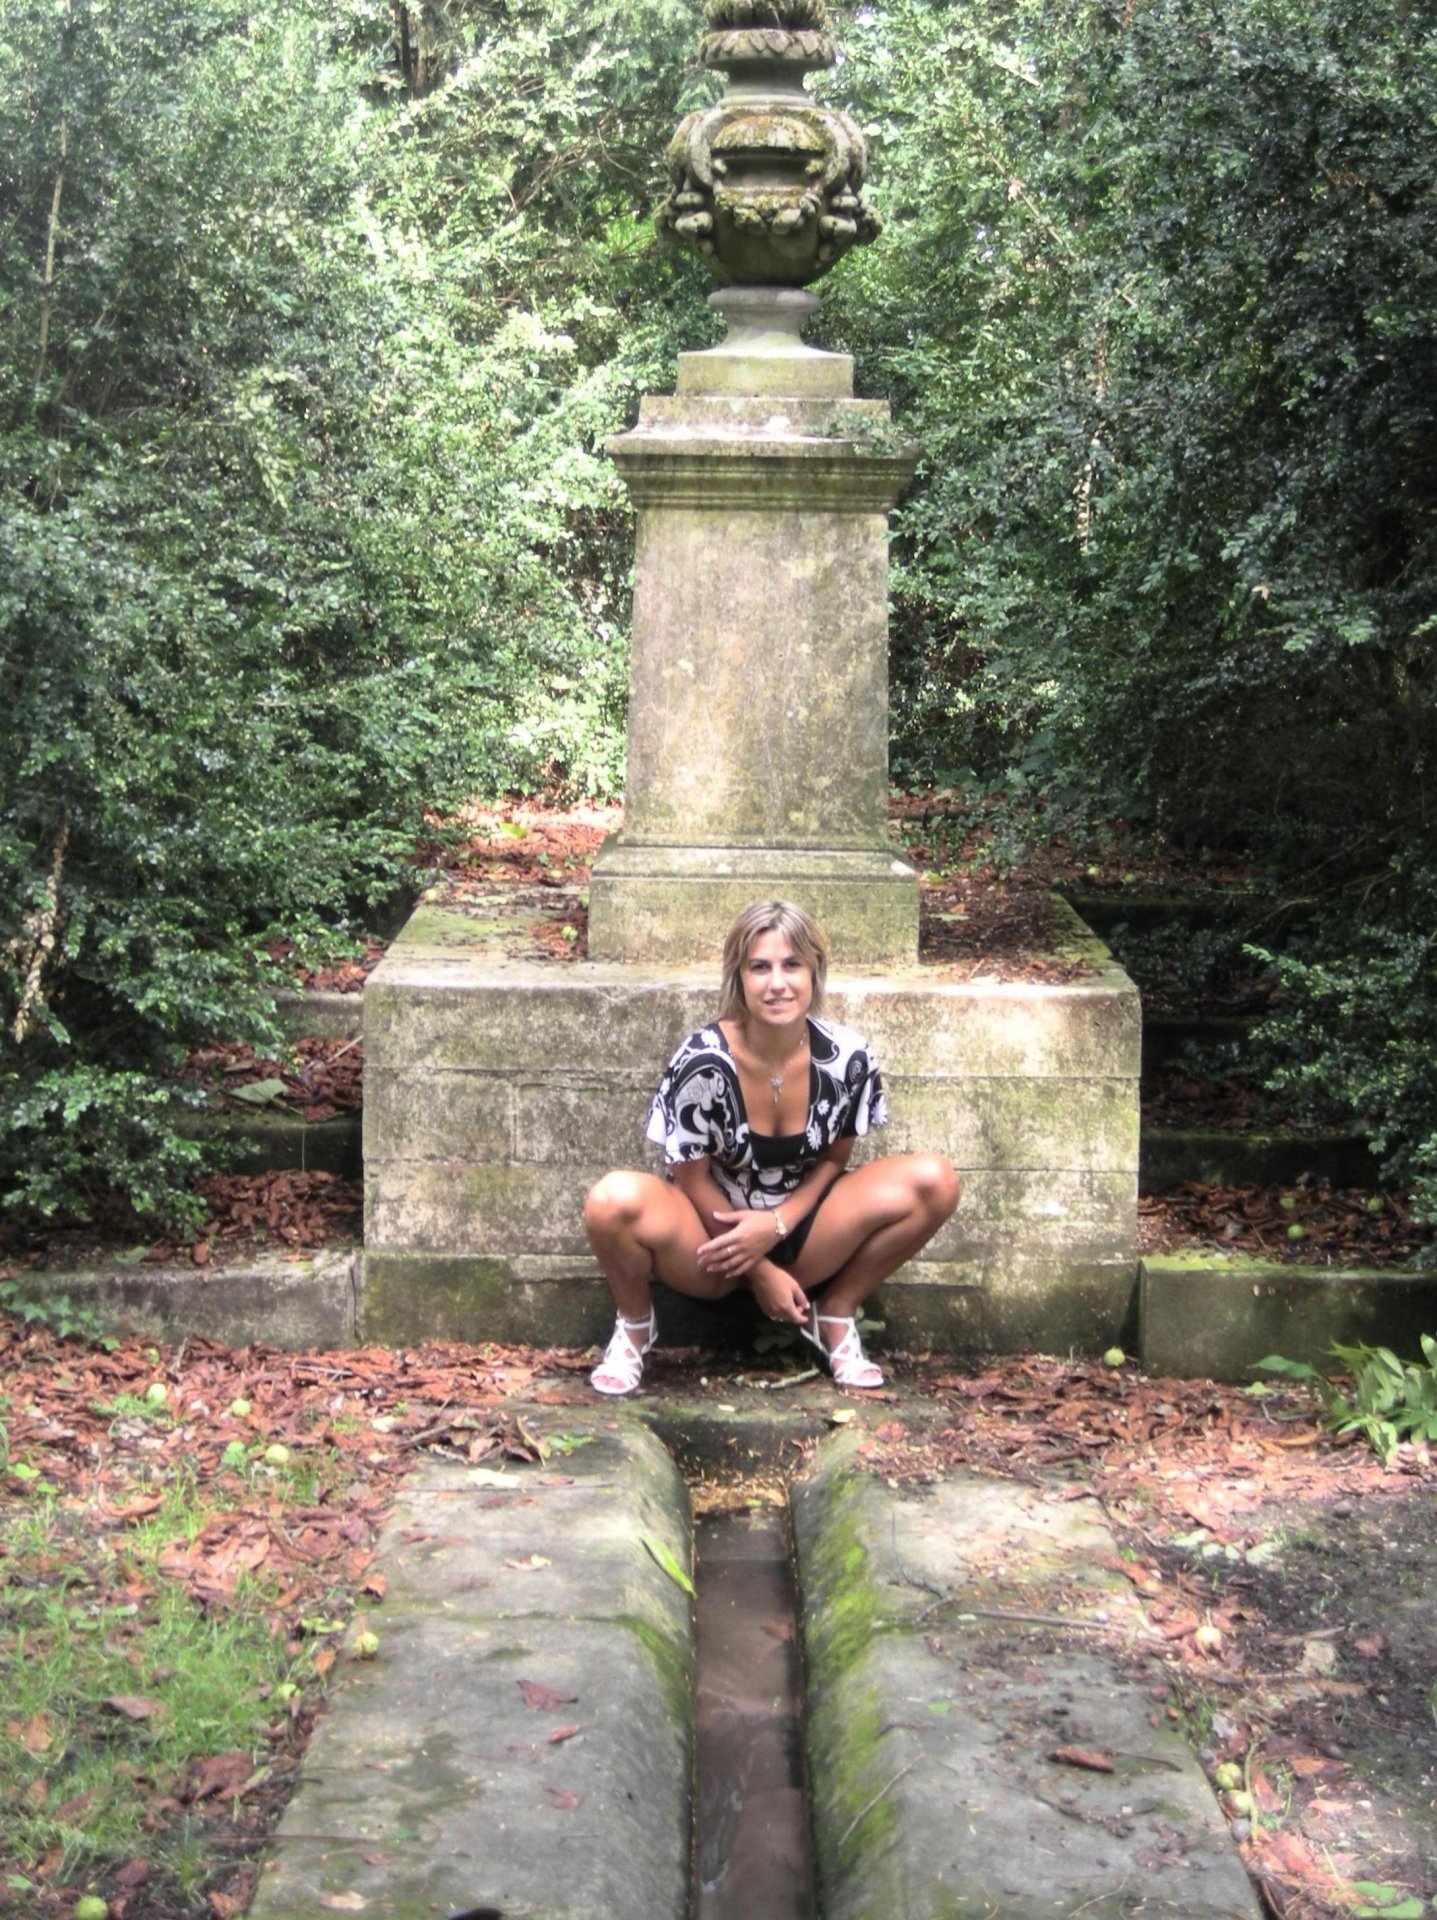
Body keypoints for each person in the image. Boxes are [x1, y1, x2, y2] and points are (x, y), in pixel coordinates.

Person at [583, 899, 960, 1396]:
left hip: (805, 1234)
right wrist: (757, 1267)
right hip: (708, 1243)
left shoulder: (847, 1058)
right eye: (760, 967)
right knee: (610, 1201)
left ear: (814, 972)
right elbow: (690, 1180)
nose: (777, 983)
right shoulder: (703, 1062)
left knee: (936, 1181)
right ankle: (634, 1327)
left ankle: (835, 1313)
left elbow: (835, 1159)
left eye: (792, 965)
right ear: (738, 977)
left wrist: (777, 1224)